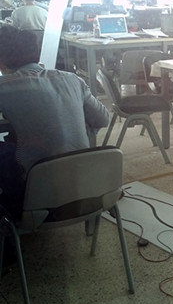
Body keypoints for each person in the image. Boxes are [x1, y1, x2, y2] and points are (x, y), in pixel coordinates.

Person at [0, 25, 109, 212]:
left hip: (36, 191)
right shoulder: (73, 79)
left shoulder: (5, 87)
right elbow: (102, 120)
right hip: (83, 186)